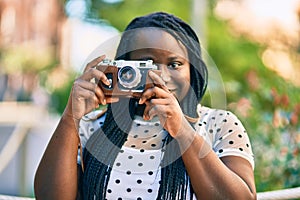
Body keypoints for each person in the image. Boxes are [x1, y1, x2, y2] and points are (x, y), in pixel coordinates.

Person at [34, 12, 256, 200]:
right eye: (146, 64)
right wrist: (70, 117)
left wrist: (181, 129)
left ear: (192, 71)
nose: (160, 75)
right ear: (123, 69)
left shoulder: (220, 123)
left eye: (174, 64)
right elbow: (49, 196)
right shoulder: (91, 127)